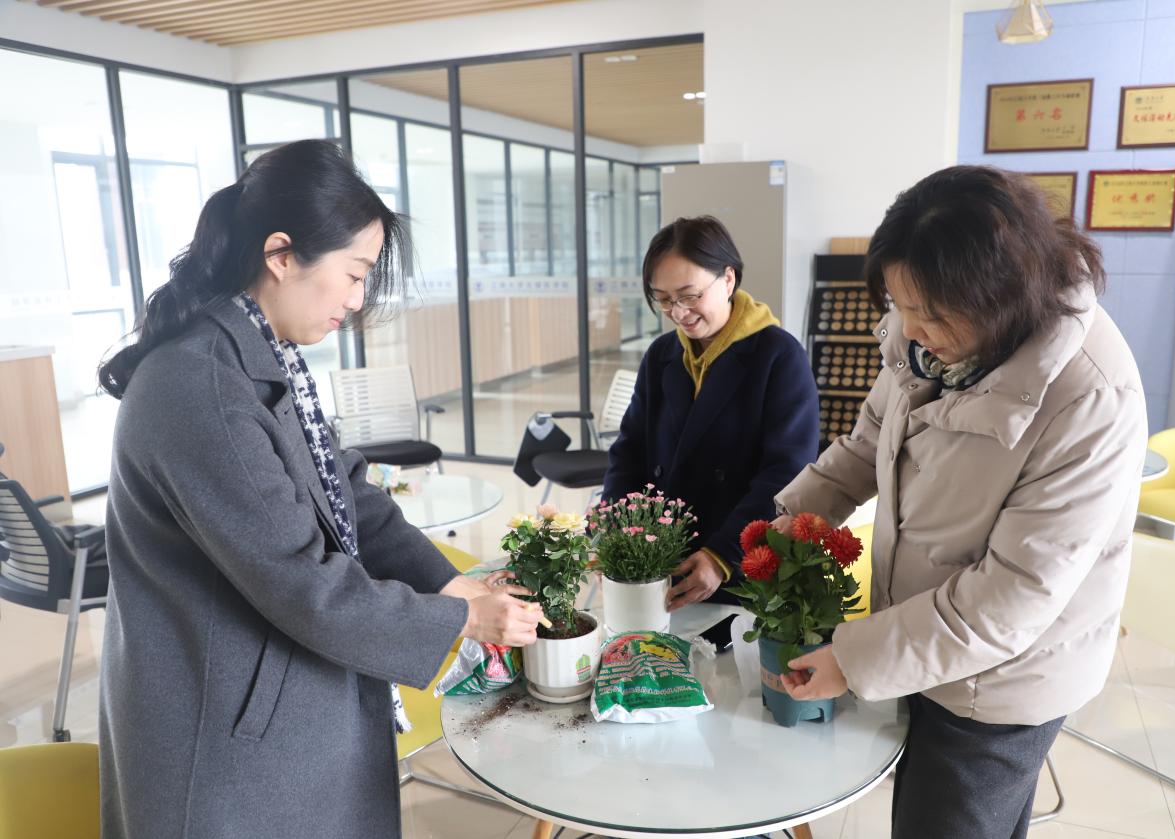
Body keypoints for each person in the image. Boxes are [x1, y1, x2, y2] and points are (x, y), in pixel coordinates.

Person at [96, 139, 540, 839]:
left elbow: (350, 493)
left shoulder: (258, 357)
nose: (358, 300)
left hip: (268, 706)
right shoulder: (201, 385)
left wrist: (457, 586)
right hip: (224, 738)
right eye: (354, 273)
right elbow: (304, 583)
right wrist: (459, 619)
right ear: (281, 255)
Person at [773, 166, 1147, 839]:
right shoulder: (925, 335)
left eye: (932, 314)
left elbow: (1012, 598)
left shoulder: (1089, 395)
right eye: (900, 305)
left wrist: (854, 660)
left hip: (1001, 683)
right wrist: (790, 521)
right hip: (925, 638)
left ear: (1001, 294)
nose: (912, 329)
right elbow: (870, 440)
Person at [602, 215, 819, 610]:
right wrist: (614, 529)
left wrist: (723, 555)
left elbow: (786, 472)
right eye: (663, 299)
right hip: (661, 560)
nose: (678, 312)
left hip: (740, 566)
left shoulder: (778, 356)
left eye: (689, 296)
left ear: (728, 279)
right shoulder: (662, 355)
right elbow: (630, 450)